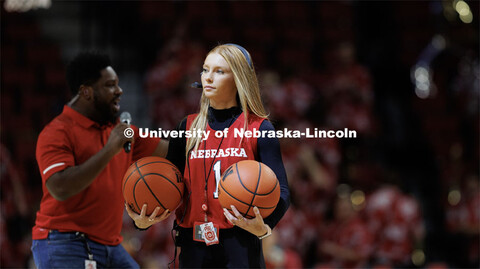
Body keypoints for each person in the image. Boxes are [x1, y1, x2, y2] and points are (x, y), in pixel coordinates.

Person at [127, 43, 291, 268]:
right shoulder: (186, 127)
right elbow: (165, 188)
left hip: (240, 243)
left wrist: (264, 227)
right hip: (193, 246)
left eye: (219, 71)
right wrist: (142, 221)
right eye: (205, 70)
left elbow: (282, 191)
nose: (208, 77)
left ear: (238, 78)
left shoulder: (259, 128)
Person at [31, 51, 169, 269]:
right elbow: (60, 187)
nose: (119, 91)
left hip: (110, 245)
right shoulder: (57, 132)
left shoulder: (118, 131)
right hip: (65, 242)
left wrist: (212, 126)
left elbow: (172, 151)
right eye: (110, 85)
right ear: (86, 92)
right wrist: (109, 150)